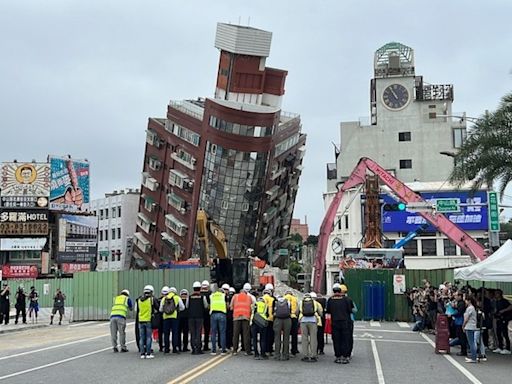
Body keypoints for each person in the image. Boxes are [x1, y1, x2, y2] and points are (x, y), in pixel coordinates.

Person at [326, 283, 353, 364]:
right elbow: (350, 310)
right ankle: (345, 356)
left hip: (335, 322)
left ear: (333, 291)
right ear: (340, 290)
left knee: (336, 339)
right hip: (345, 322)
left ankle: (338, 356)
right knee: (345, 339)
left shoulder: (330, 300)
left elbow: (328, 311)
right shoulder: (347, 299)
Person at [160, 286, 185, 354]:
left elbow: (160, 309)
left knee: (166, 333)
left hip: (165, 318)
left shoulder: (164, 298)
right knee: (175, 333)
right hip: (174, 317)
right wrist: (177, 310)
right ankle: (174, 348)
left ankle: (167, 348)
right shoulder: (177, 298)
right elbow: (182, 307)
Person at [136, 285, 159, 359]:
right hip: (148, 320)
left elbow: (136, 309)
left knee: (142, 337)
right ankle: (148, 353)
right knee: (149, 337)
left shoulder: (139, 299)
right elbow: (158, 308)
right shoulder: (152, 299)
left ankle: (142, 353)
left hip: (140, 320)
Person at [231, 283, 253, 355]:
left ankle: (234, 350)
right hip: (246, 317)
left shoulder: (235, 296)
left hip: (236, 317)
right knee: (246, 335)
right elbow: (252, 307)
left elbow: (231, 307)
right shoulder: (249, 298)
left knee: (236, 334)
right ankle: (247, 351)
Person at [299, 292, 322, 362]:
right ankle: (313, 355)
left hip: (303, 321)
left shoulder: (301, 302)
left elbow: (297, 312)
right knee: (313, 339)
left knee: (304, 338)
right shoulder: (315, 302)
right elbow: (320, 312)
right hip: (313, 321)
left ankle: (305, 355)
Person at [187, 281, 209, 355]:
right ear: (200, 288)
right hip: (200, 317)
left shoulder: (189, 297)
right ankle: (199, 349)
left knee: (193, 333)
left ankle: (193, 349)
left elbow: (187, 306)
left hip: (191, 317)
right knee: (198, 333)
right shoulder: (203, 297)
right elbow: (206, 306)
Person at [210, 284, 228, 355]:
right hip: (222, 314)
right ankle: (223, 350)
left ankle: (213, 350)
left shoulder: (212, 296)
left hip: (213, 314)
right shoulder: (223, 296)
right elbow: (227, 304)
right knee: (222, 332)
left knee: (213, 333)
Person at [273, 295, 292, 361]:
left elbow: (273, 311)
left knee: (277, 337)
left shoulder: (275, 302)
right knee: (286, 337)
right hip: (287, 320)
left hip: (277, 320)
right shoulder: (288, 301)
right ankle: (285, 355)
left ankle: (277, 355)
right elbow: (290, 310)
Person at [493, 289, 512, 354]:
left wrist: (504, 310)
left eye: (496, 293)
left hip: (504, 318)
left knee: (505, 333)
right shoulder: (496, 301)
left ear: (499, 294)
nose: (495, 295)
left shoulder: (504, 301)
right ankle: (500, 347)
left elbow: (510, 306)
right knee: (498, 333)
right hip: (498, 319)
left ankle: (508, 348)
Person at [450, 291, 468, 357]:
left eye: (456, 296)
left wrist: (452, 314)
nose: (455, 297)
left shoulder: (462, 303)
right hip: (458, 321)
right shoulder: (459, 303)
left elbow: (459, 312)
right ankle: (462, 350)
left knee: (462, 336)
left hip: (461, 321)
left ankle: (464, 351)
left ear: (460, 296)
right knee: (459, 336)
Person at [251, 295, 269, 360]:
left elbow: (252, 312)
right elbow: (267, 314)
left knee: (254, 339)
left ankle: (256, 354)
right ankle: (263, 354)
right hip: (262, 323)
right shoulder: (266, 305)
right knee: (263, 339)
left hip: (254, 322)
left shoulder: (255, 304)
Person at [284, 289, 300, 356]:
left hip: (286, 318)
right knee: (294, 335)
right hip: (294, 318)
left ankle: (285, 350)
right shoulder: (295, 299)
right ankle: (294, 350)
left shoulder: (283, 298)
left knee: (286, 335)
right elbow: (298, 309)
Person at [463, 296, 478, 363]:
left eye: (466, 300)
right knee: (471, 342)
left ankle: (473, 358)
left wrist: (463, 325)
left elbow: (466, 318)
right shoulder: (471, 308)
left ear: (469, 301)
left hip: (469, 326)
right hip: (471, 326)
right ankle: (473, 357)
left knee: (471, 343)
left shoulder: (470, 308)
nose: (465, 302)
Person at [262, 284, 275, 355]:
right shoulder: (273, 299)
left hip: (262, 319)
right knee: (270, 335)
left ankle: (264, 349)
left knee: (264, 335)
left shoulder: (261, 298)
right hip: (271, 319)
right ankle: (269, 349)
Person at [156, 286, 169, 352]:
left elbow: (157, 309)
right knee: (166, 333)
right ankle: (167, 346)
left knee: (160, 333)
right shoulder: (169, 299)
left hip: (159, 317)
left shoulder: (158, 300)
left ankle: (161, 346)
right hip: (166, 317)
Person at [200, 280, 212, 351]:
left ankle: (199, 345)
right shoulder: (210, 293)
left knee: (199, 331)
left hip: (200, 314)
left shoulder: (199, 293)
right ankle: (206, 345)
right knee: (207, 331)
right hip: (207, 314)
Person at [225, 286, 235, 351]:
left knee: (227, 331)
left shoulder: (226, 298)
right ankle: (231, 344)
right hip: (233, 316)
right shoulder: (235, 298)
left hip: (226, 315)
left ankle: (227, 345)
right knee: (232, 331)